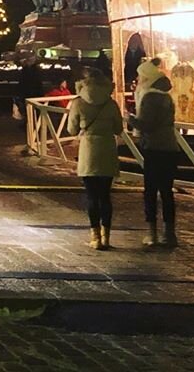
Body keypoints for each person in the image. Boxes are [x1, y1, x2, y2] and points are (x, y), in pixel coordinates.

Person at [66, 67, 123, 250]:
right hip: (107, 147)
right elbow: (118, 128)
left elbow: (72, 130)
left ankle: (95, 237)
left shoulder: (79, 102)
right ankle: (107, 237)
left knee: (91, 195)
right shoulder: (111, 103)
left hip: (88, 149)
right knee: (105, 195)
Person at [130, 58, 180, 247]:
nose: (138, 79)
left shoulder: (150, 97)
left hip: (154, 148)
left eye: (141, 76)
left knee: (151, 190)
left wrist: (130, 119)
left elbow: (147, 125)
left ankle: (152, 233)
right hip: (170, 147)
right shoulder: (166, 96)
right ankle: (170, 233)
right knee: (167, 191)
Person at [16, 56, 43, 122]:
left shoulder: (26, 71)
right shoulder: (36, 70)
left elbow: (22, 83)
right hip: (34, 94)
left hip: (29, 94)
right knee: (34, 112)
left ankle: (29, 124)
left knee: (29, 112)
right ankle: (33, 124)